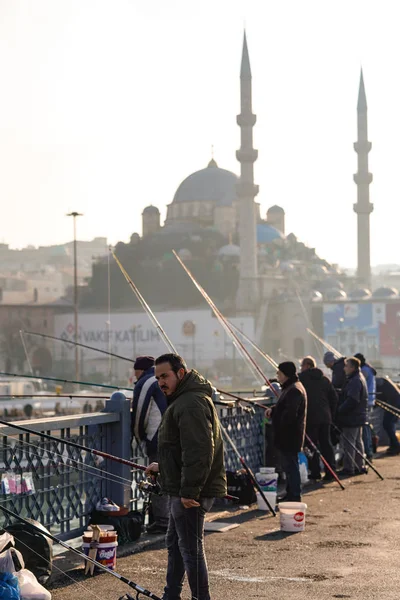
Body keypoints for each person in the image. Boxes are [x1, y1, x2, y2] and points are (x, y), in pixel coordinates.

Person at [145, 353, 227, 600]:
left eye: (165, 376)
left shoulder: (190, 403)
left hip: (190, 491)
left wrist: (190, 491)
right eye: (158, 377)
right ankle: (171, 595)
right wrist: (162, 467)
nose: (161, 382)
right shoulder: (185, 399)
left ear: (180, 373)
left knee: (190, 550)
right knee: (176, 546)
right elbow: (183, 448)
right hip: (183, 487)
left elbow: (200, 451)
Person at [131, 355, 168, 533]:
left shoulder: (145, 383)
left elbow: (139, 414)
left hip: (158, 437)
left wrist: (139, 439)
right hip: (173, 435)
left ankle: (162, 522)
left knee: (158, 478)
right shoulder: (163, 379)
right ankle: (170, 517)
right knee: (171, 474)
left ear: (139, 370)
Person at [266, 361, 307, 502]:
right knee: (289, 466)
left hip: (289, 435)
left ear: (286, 374)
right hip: (289, 435)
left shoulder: (294, 390)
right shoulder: (292, 387)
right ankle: (291, 493)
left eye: (279, 373)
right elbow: (284, 407)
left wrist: (276, 418)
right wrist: (274, 409)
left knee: (291, 467)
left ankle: (294, 495)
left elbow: (290, 415)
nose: (277, 376)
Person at [299, 356, 338, 481]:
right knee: (326, 444)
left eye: (302, 366)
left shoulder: (302, 379)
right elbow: (334, 398)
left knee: (311, 445)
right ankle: (331, 471)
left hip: (310, 417)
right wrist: (330, 413)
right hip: (325, 417)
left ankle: (315, 472)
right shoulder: (324, 379)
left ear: (308, 366)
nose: (301, 368)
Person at [337, 357, 368, 477]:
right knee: (357, 442)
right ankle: (359, 466)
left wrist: (340, 410)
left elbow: (353, 400)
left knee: (349, 443)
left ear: (352, 367)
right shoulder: (359, 378)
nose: (344, 368)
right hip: (359, 416)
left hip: (352, 417)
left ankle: (349, 468)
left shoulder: (355, 380)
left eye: (346, 366)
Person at [354, 353, 376, 460]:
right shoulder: (368, 368)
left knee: (365, 427)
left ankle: (368, 452)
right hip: (370, 400)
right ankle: (370, 450)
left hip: (366, 402)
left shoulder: (364, 371)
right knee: (367, 425)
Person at [376, 377, 400, 455]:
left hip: (394, 403)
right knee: (389, 424)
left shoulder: (378, 383)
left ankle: (395, 445)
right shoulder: (382, 381)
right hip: (394, 401)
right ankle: (394, 444)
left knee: (388, 424)